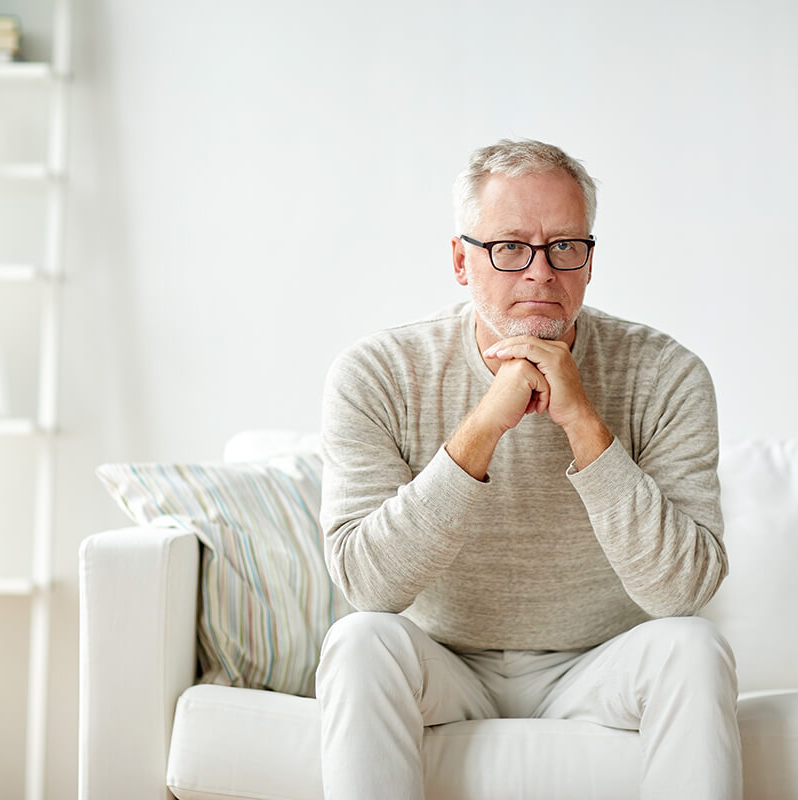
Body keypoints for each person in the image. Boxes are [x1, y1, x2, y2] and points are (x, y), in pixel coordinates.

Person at [317, 138, 741, 799]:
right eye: (509, 247)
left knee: (694, 648)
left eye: (565, 246)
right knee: (359, 640)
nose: (541, 272)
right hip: (443, 664)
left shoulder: (667, 374)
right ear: (462, 260)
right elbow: (368, 584)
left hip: (600, 666)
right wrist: (487, 422)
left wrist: (583, 424)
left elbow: (681, 593)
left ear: (590, 261)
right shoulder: (377, 373)